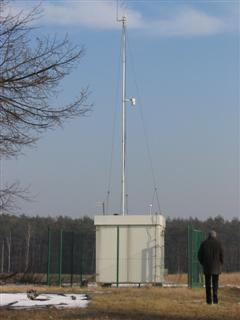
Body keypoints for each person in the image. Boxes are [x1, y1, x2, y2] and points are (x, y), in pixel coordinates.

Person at [198, 230, 224, 304]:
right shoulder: (219, 243)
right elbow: (222, 255)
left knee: (208, 284)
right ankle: (215, 299)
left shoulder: (204, 243)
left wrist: (203, 263)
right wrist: (221, 263)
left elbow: (199, 255)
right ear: (215, 236)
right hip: (216, 267)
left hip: (207, 267)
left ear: (208, 236)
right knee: (215, 283)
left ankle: (209, 300)